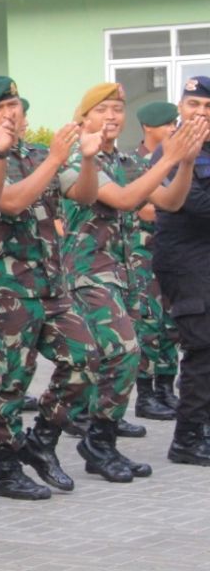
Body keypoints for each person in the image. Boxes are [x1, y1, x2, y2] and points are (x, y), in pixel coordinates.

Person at [0, 76, 101, 501]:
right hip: (3, 289)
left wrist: (87, 160)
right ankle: (5, 468)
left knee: (86, 358)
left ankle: (42, 442)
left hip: (51, 284)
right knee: (12, 382)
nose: (10, 113)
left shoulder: (39, 155)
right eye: (0, 108)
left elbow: (84, 196)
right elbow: (12, 201)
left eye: (15, 105)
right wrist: (56, 160)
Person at [63, 83, 203, 481]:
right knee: (123, 353)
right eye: (103, 109)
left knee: (123, 356)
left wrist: (187, 163)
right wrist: (169, 158)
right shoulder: (76, 157)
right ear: (85, 116)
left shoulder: (124, 159)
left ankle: (99, 441)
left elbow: (170, 201)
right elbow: (124, 200)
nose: (112, 117)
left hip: (122, 274)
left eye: (118, 110)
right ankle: (88, 439)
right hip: (86, 272)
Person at [153, 76, 210, 465]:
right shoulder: (169, 153)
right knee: (203, 347)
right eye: (194, 105)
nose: (201, 113)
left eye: (207, 108)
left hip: (203, 258)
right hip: (183, 261)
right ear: (180, 107)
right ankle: (186, 439)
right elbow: (198, 205)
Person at [131, 101, 182, 420]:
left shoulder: (173, 163)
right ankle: (146, 395)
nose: (173, 129)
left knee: (171, 324)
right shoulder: (134, 164)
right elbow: (143, 208)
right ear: (148, 127)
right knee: (148, 323)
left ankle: (165, 388)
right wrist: (177, 208)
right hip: (143, 253)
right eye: (167, 124)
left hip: (170, 251)